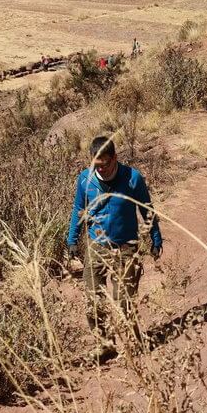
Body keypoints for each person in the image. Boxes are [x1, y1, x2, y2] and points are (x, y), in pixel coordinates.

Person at [66, 136, 163, 359]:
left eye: (105, 164)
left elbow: (147, 210)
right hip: (97, 246)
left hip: (127, 247)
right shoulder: (85, 180)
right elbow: (77, 209)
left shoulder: (132, 178)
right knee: (93, 297)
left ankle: (133, 342)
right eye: (96, 164)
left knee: (123, 300)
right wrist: (72, 239)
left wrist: (156, 239)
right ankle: (105, 344)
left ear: (115, 158)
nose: (101, 169)